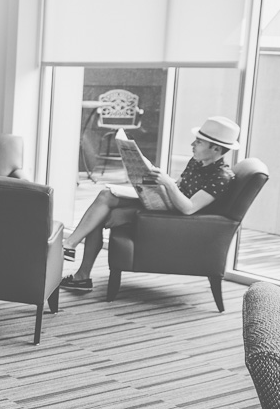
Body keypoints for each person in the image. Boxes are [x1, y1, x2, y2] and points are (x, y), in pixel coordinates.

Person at [60, 115, 240, 292]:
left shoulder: (221, 177)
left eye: (199, 142)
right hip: (164, 204)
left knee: (101, 215)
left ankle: (78, 267)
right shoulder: (197, 162)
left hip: (174, 220)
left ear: (216, 149)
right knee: (105, 195)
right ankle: (72, 251)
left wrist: (167, 183)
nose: (192, 144)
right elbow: (180, 187)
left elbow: (189, 208)